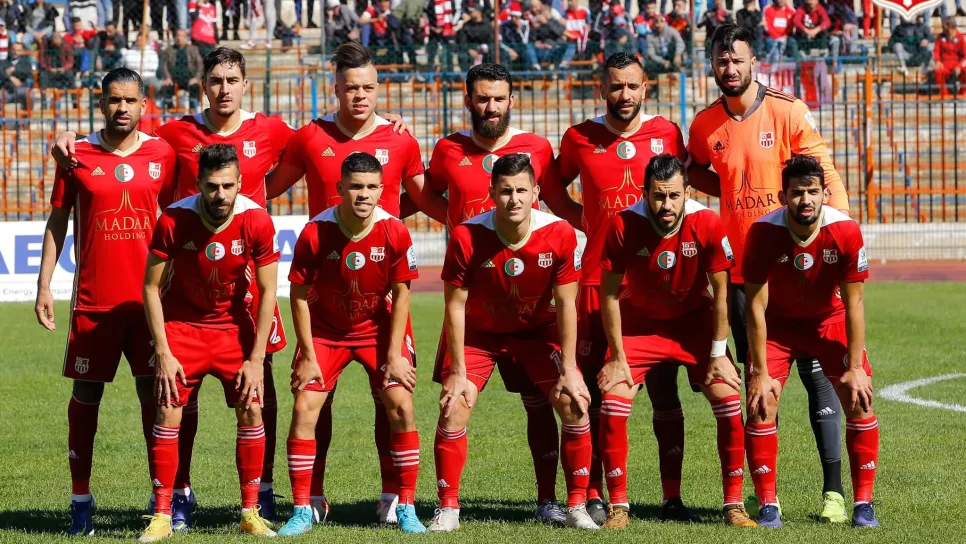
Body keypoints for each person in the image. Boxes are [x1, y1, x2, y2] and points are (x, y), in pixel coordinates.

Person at [266, 41, 446, 526]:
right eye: (350, 88)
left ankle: (394, 498)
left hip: (379, 301)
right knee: (313, 402)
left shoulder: (401, 140)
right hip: (324, 300)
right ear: (336, 89)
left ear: (378, 88)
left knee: (391, 398)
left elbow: (425, 199)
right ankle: (311, 499)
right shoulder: (310, 137)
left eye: (367, 87)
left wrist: (481, 227)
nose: (359, 96)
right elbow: (265, 189)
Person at [687, 24, 853, 525]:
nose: (729, 68)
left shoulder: (788, 111)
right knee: (759, 383)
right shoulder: (705, 124)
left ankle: (834, 493)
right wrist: (729, 187)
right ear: (712, 64)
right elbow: (696, 170)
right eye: (721, 61)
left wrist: (839, 234)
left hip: (802, 271)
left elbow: (824, 174)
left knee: (820, 378)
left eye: (737, 59)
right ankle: (768, 497)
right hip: (745, 276)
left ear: (753, 60)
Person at [420, 62, 581, 525]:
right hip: (478, 307)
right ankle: (447, 508)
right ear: (468, 100)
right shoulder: (447, 149)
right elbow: (426, 195)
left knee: (544, 403)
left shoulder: (538, 149)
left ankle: (552, 502)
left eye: (498, 98)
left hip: (530, 307)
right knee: (454, 403)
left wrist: (605, 233)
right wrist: (463, 229)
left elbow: (559, 204)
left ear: (512, 100)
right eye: (482, 98)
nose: (490, 107)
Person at [557, 51, 701, 526]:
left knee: (664, 391)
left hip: (655, 283)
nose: (624, 94)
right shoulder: (579, 138)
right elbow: (553, 188)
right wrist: (587, 221)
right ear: (602, 88)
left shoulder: (667, 134)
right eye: (615, 86)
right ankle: (596, 494)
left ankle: (671, 497)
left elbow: (683, 191)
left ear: (646, 88)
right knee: (597, 394)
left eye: (632, 86)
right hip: (597, 283)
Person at [35, 68, 177, 537]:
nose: (122, 108)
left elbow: (178, 220)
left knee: (154, 397)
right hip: (94, 302)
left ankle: (160, 500)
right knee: (86, 396)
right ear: (101, 104)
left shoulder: (162, 154)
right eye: (114, 100)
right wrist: (44, 285)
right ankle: (81, 499)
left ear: (144, 104)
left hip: (149, 304)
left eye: (130, 100)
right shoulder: (77, 154)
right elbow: (58, 220)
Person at [428, 153, 597, 532]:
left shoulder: (560, 233)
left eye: (522, 190)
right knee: (454, 407)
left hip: (537, 332)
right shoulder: (467, 236)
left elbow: (567, 304)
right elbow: (454, 306)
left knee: (574, 404)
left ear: (536, 192)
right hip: (479, 335)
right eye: (505, 191)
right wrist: (457, 372)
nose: (514, 199)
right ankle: (448, 509)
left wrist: (570, 369)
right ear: (492, 193)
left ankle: (574, 506)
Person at [597, 154, 756, 529]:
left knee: (728, 400)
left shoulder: (707, 222)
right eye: (658, 196)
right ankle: (618, 506)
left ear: (687, 192)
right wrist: (617, 356)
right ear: (645, 194)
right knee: (614, 402)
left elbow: (721, 292)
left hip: (694, 324)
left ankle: (734, 505)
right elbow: (609, 294)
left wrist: (718, 354)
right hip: (640, 325)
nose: (666, 205)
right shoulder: (623, 224)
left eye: (673, 196)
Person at [277, 152, 427, 536]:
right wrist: (307, 354)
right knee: (304, 408)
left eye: (372, 187)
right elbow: (298, 296)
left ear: (382, 189)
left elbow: (402, 294)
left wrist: (394, 354)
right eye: (356, 187)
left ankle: (405, 505)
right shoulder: (315, 232)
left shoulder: (395, 230)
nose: (364, 194)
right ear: (340, 187)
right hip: (326, 331)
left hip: (378, 330)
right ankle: (303, 507)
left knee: (401, 404)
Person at [139, 143, 280, 541]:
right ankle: (162, 515)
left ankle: (250, 512)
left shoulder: (256, 219)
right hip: (182, 329)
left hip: (234, 330)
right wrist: (163, 351)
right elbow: (150, 287)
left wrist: (256, 359)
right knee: (167, 411)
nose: (221, 194)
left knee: (252, 410)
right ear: (199, 182)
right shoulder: (174, 219)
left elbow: (268, 291)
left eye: (228, 186)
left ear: (240, 183)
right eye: (213, 186)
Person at [742, 154, 880, 529]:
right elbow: (754, 306)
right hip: (777, 326)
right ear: (783, 196)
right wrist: (759, 372)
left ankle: (863, 504)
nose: (806, 200)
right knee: (761, 401)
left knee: (859, 397)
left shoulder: (845, 231)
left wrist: (855, 368)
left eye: (813, 191)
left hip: (828, 320)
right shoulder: (762, 232)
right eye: (797, 192)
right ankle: (768, 505)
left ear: (825, 194)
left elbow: (854, 302)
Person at [159, 29, 204, 106]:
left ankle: (193, 110)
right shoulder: (169, 50)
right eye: (178, 36)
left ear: (186, 38)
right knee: (165, 88)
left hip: (190, 79)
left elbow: (200, 64)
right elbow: (164, 65)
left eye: (182, 36)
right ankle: (171, 110)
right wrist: (167, 77)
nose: (179, 38)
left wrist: (196, 78)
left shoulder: (193, 49)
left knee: (195, 88)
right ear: (174, 37)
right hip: (173, 79)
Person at [791, 0, 838, 64]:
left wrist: (816, 30)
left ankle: (823, 52)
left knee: (828, 35)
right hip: (804, 36)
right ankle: (803, 53)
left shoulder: (820, 9)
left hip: (817, 35)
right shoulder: (801, 9)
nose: (811, 2)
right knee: (797, 35)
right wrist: (807, 31)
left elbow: (827, 22)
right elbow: (796, 21)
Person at [931, 16, 966, 96]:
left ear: (950, 26)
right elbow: (936, 51)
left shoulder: (961, 37)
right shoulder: (940, 37)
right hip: (944, 64)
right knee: (938, 71)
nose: (942, 28)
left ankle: (962, 94)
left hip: (957, 64)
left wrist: (959, 66)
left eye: (944, 26)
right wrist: (937, 61)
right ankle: (945, 95)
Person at [643, 15, 684, 79]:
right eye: (657, 22)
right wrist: (662, 61)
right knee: (648, 66)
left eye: (661, 21)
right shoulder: (650, 36)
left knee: (678, 61)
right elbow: (651, 54)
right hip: (659, 59)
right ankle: (654, 83)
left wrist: (677, 54)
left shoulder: (671, 31)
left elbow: (680, 43)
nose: (659, 24)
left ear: (665, 23)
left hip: (672, 56)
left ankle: (679, 78)